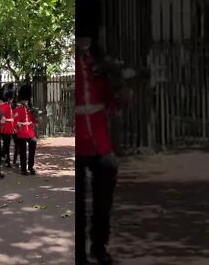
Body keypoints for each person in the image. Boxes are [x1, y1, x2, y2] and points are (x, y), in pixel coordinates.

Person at [76, 27, 133, 264]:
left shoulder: (100, 64)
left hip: (101, 141)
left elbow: (117, 102)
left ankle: (99, 246)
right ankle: (78, 252)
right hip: (78, 143)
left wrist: (120, 84)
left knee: (103, 203)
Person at [13, 85, 38, 175]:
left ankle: (30, 166)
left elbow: (35, 120)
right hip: (21, 133)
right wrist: (17, 124)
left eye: (26, 100)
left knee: (32, 149)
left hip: (30, 133)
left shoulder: (31, 109)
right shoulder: (17, 110)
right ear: (21, 100)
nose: (25, 101)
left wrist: (37, 117)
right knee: (23, 152)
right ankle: (23, 169)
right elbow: (14, 120)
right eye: (24, 100)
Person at [0, 83, 15, 168]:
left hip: (12, 127)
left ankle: (4, 155)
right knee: (6, 145)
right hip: (5, 128)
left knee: (8, 145)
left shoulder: (12, 106)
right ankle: (7, 159)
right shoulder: (3, 106)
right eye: (10, 98)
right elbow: (0, 116)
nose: (11, 99)